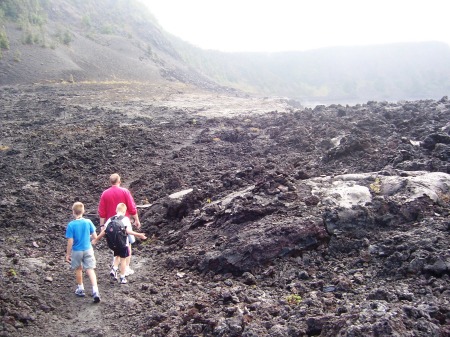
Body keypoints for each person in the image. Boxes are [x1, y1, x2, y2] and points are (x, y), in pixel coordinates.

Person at [98, 173, 141, 276]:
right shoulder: (125, 192)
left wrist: (102, 226)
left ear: (110, 182)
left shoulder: (105, 194)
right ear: (119, 181)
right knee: (127, 245)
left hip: (111, 225)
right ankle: (125, 268)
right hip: (124, 223)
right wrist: (137, 220)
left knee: (115, 245)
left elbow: (102, 211)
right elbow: (131, 207)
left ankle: (115, 267)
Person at [93, 203, 147, 284]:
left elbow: (104, 231)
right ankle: (122, 277)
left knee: (117, 255)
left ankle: (114, 269)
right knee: (123, 260)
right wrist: (139, 235)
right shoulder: (125, 219)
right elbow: (128, 231)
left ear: (116, 210)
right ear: (125, 211)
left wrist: (96, 239)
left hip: (113, 243)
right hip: (123, 243)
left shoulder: (110, 219)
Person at [65, 201, 101, 303]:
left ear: (73, 212)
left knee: (78, 269)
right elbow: (95, 236)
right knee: (90, 269)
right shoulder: (88, 222)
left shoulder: (71, 225)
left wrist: (68, 254)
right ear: (83, 211)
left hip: (76, 251)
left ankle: (80, 289)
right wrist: (89, 238)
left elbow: (70, 241)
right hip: (88, 249)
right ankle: (95, 290)